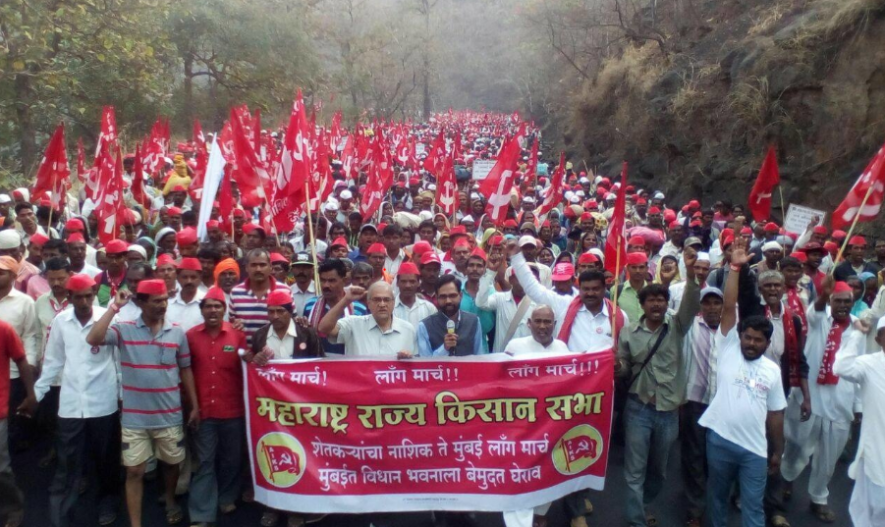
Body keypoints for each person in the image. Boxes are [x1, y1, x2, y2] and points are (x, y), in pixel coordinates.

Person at [85, 281, 199, 527]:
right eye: (156, 301)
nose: (163, 305)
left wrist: (194, 406)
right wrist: (114, 307)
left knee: (171, 465)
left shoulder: (177, 332)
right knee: (134, 472)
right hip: (135, 418)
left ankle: (170, 500)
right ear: (140, 303)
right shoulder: (124, 329)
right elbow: (93, 338)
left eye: (165, 300)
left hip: (169, 415)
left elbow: (186, 369)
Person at [700, 237, 787, 527]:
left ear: (766, 343)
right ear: (739, 336)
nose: (750, 343)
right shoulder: (728, 347)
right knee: (717, 499)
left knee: (753, 508)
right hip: (720, 442)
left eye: (757, 340)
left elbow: (776, 415)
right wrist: (735, 268)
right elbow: (729, 307)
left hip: (755, 451)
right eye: (747, 337)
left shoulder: (772, 371)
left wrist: (778, 450)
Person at [614, 249, 701, 527]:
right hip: (638, 409)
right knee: (634, 471)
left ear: (666, 304)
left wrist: (691, 276)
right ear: (643, 304)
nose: (656, 304)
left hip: (668, 412)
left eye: (661, 300)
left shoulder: (677, 326)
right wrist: (619, 367)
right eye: (651, 300)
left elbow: (690, 304)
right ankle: (636, 520)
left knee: (659, 471)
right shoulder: (628, 333)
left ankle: (644, 502)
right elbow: (625, 367)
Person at [32, 274, 120, 527]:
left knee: (106, 460)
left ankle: (107, 502)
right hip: (71, 404)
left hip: (103, 401)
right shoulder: (61, 322)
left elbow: (118, 359)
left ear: (94, 294)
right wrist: (37, 394)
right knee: (68, 462)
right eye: (78, 297)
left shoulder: (108, 316)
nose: (84, 302)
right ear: (69, 298)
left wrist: (122, 394)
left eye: (88, 296)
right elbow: (54, 360)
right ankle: (62, 515)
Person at [780, 276, 862, 523]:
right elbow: (815, 310)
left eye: (847, 301)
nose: (843, 305)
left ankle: (819, 498)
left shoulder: (858, 328)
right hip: (810, 398)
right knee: (796, 446)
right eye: (838, 300)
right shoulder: (817, 318)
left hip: (840, 403)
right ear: (831, 301)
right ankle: (786, 481)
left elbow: (861, 367)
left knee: (829, 458)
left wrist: (858, 406)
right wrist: (824, 295)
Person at [185, 287, 248, 526]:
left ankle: (227, 497)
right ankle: (202, 513)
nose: (213, 310)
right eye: (208, 306)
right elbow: (185, 370)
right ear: (201, 310)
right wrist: (191, 405)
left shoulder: (237, 334)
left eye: (217, 306)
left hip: (233, 409)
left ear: (225, 310)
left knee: (231, 459)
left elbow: (247, 366)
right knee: (204, 461)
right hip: (203, 410)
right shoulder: (190, 336)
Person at [511, 251, 627, 353]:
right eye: (586, 289)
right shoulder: (566, 305)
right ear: (579, 288)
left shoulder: (618, 316)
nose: (590, 293)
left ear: (604, 290)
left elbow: (625, 353)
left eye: (595, 289)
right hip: (572, 376)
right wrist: (516, 256)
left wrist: (619, 366)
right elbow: (534, 289)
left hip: (604, 377)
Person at [833, 315, 885, 527]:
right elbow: (841, 368)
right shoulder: (869, 364)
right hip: (876, 453)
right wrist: (857, 334)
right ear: (880, 339)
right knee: (872, 509)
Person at [679, 286, 724, 526]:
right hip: (695, 402)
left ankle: (715, 502)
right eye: (707, 303)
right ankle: (695, 509)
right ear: (700, 306)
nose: (712, 308)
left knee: (717, 457)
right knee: (694, 455)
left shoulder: (731, 331)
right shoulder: (690, 329)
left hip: (723, 405)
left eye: (717, 303)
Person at [0, 320, 36, 527]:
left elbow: (21, 360)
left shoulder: (4, 329)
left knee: (0, 466)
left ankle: (12, 506)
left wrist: (31, 395)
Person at [319, 282, 416, 357]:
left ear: (393, 303)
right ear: (368, 303)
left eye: (386, 300)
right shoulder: (353, 324)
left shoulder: (407, 329)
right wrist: (346, 300)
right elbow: (324, 328)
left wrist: (407, 360)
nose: (382, 304)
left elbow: (417, 366)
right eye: (377, 300)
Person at [304, 259, 368, 355]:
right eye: (323, 280)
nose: (326, 285)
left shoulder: (358, 309)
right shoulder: (310, 306)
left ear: (344, 281)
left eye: (332, 281)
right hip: (318, 364)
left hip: (348, 364)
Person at [228, 249, 291, 345]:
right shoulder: (236, 292)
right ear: (246, 268)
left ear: (270, 267)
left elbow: (292, 323)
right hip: (246, 355)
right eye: (253, 265)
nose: (258, 269)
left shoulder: (285, 290)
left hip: (276, 353)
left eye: (262, 265)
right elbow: (231, 326)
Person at [417, 274, 484, 356]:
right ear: (437, 297)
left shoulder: (474, 321)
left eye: (452, 296)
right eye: (443, 297)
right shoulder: (424, 326)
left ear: (461, 296)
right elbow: (425, 364)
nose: (448, 301)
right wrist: (444, 348)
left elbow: (479, 357)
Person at [248, 289, 323, 362]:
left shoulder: (308, 334)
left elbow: (320, 364)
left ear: (290, 312)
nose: (275, 316)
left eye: (280, 311)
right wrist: (256, 359)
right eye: (271, 311)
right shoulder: (259, 336)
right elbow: (253, 365)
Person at [504, 305, 570, 355]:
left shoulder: (562, 348)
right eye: (538, 321)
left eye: (547, 322)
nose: (542, 326)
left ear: (554, 324)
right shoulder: (514, 347)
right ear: (529, 323)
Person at [165, 257, 207, 332]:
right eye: (185, 277)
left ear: (200, 278)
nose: (189, 281)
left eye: (193, 277)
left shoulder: (207, 301)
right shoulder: (168, 302)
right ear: (177, 278)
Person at [392, 262, 437, 328]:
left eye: (412, 281)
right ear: (397, 283)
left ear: (419, 283)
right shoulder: (391, 308)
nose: (408, 285)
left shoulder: (429, 308)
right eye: (403, 281)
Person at [289, 252, 316, 317]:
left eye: (305, 267)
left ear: (312, 270)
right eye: (298, 267)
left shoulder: (320, 290)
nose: (301, 271)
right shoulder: (288, 292)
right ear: (292, 270)